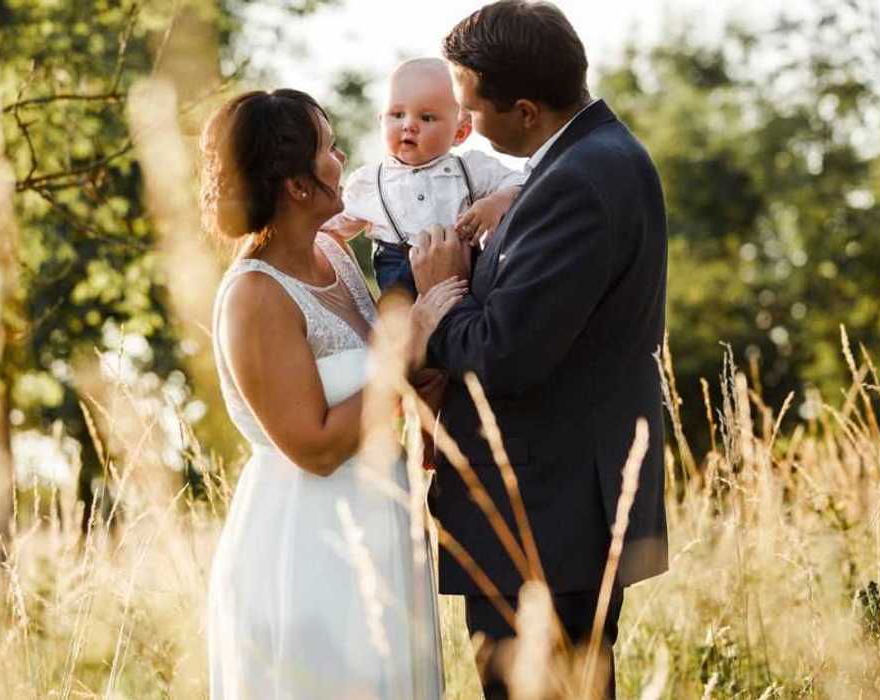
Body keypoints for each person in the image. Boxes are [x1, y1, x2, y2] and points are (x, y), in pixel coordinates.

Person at [410, 2, 671, 698]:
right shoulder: (593, 159)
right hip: (562, 510)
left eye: (472, 109)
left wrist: (441, 298)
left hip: (541, 517)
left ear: (525, 110)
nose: (465, 127)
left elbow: (507, 354)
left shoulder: (577, 182)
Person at [200, 88, 463, 699]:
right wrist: (409, 339)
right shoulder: (255, 295)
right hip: (308, 541)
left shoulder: (335, 254)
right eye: (328, 148)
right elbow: (314, 448)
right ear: (296, 184)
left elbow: (383, 384)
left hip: (383, 523)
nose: (343, 157)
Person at [327, 57, 524, 297]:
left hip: (464, 279)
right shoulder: (370, 182)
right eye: (397, 114)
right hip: (401, 283)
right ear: (381, 121)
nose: (409, 125)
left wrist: (497, 202)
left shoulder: (470, 168)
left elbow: (525, 182)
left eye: (427, 118)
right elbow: (330, 224)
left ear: (460, 132)